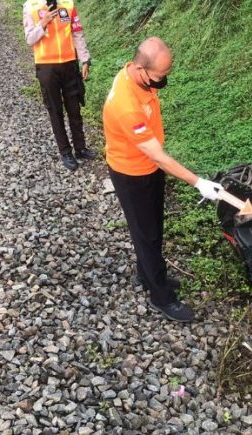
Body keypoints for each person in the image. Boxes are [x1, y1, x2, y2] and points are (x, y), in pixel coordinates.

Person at [103, 37, 223, 323]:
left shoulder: (135, 77)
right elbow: (158, 156)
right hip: (132, 174)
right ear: (141, 69)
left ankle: (146, 275)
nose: (164, 81)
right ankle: (161, 296)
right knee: (146, 235)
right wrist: (199, 182)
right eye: (160, 76)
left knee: (153, 228)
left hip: (146, 167)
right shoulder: (126, 105)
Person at [23, 0, 95, 171]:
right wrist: (43, 22)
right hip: (47, 68)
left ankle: (80, 148)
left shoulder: (68, 4)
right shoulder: (30, 6)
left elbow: (77, 33)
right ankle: (65, 152)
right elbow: (29, 39)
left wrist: (85, 59)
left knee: (74, 109)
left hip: (69, 65)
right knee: (55, 111)